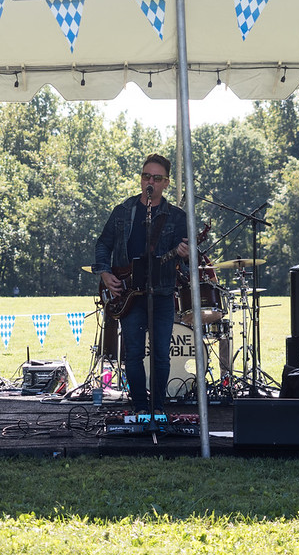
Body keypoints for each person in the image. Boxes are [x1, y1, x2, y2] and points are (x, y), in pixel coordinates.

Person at [94, 154, 189, 413]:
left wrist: (185, 254)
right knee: (133, 354)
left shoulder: (177, 217)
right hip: (127, 293)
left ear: (166, 183)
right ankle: (139, 407)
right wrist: (104, 272)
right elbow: (103, 243)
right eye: (146, 176)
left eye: (157, 178)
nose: (150, 182)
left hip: (161, 293)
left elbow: (188, 260)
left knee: (160, 355)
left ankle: (157, 408)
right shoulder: (123, 211)